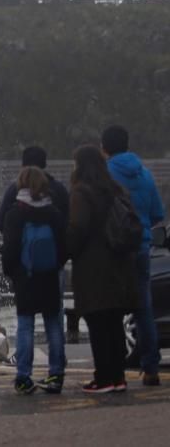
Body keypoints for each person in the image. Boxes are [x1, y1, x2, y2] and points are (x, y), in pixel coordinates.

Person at [67, 144, 137, 393]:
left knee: (97, 323)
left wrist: (64, 251)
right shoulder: (115, 190)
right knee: (114, 323)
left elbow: (77, 229)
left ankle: (104, 378)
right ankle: (118, 377)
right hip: (118, 267)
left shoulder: (81, 192)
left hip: (92, 269)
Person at [102, 125, 165, 386]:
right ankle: (151, 368)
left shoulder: (105, 174)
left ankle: (115, 370)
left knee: (113, 310)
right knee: (144, 310)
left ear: (105, 148)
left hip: (115, 250)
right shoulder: (145, 175)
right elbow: (157, 215)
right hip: (142, 248)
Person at [1, 167, 67, 394]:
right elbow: (64, 247)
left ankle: (23, 377)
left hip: (25, 278)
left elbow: (9, 250)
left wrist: (13, 272)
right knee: (53, 325)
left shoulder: (15, 214)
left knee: (25, 326)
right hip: (49, 276)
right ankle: (56, 374)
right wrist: (54, 266)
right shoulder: (54, 213)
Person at [0, 146, 70, 232]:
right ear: (44, 164)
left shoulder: (14, 190)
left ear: (23, 166)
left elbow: (1, 223)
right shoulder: (59, 189)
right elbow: (67, 220)